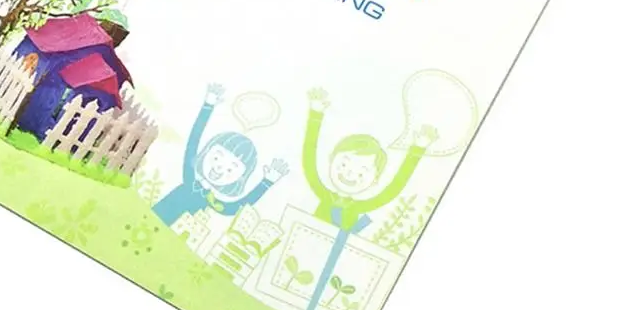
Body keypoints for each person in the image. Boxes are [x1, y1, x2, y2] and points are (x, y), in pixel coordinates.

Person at [301, 87, 437, 233]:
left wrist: (417, 149)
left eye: (361, 174)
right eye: (343, 164)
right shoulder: (324, 194)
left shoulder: (358, 206)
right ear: (331, 159)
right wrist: (315, 114)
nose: (350, 174)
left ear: (374, 181)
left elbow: (394, 188)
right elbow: (309, 163)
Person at [152, 83, 288, 228]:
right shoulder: (190, 177)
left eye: (230, 169)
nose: (218, 168)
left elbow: (238, 206)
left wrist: (267, 182)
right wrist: (208, 106)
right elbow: (194, 140)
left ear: (241, 178)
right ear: (207, 151)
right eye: (216, 158)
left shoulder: (214, 202)